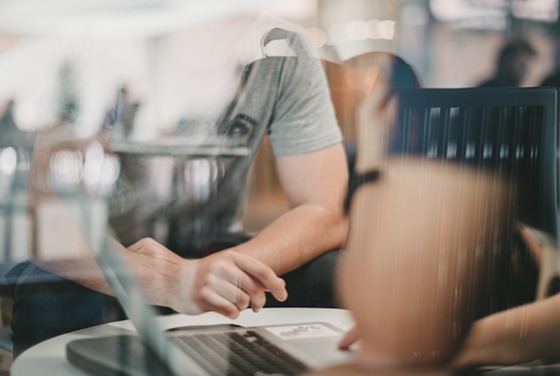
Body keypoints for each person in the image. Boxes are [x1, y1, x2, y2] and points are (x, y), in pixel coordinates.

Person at [8, 10, 348, 357]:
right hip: (109, 258)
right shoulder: (94, 34)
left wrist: (213, 272)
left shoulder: (280, 48)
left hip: (213, 249)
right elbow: (49, 224)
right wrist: (168, 280)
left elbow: (322, 211)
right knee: (48, 294)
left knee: (333, 273)